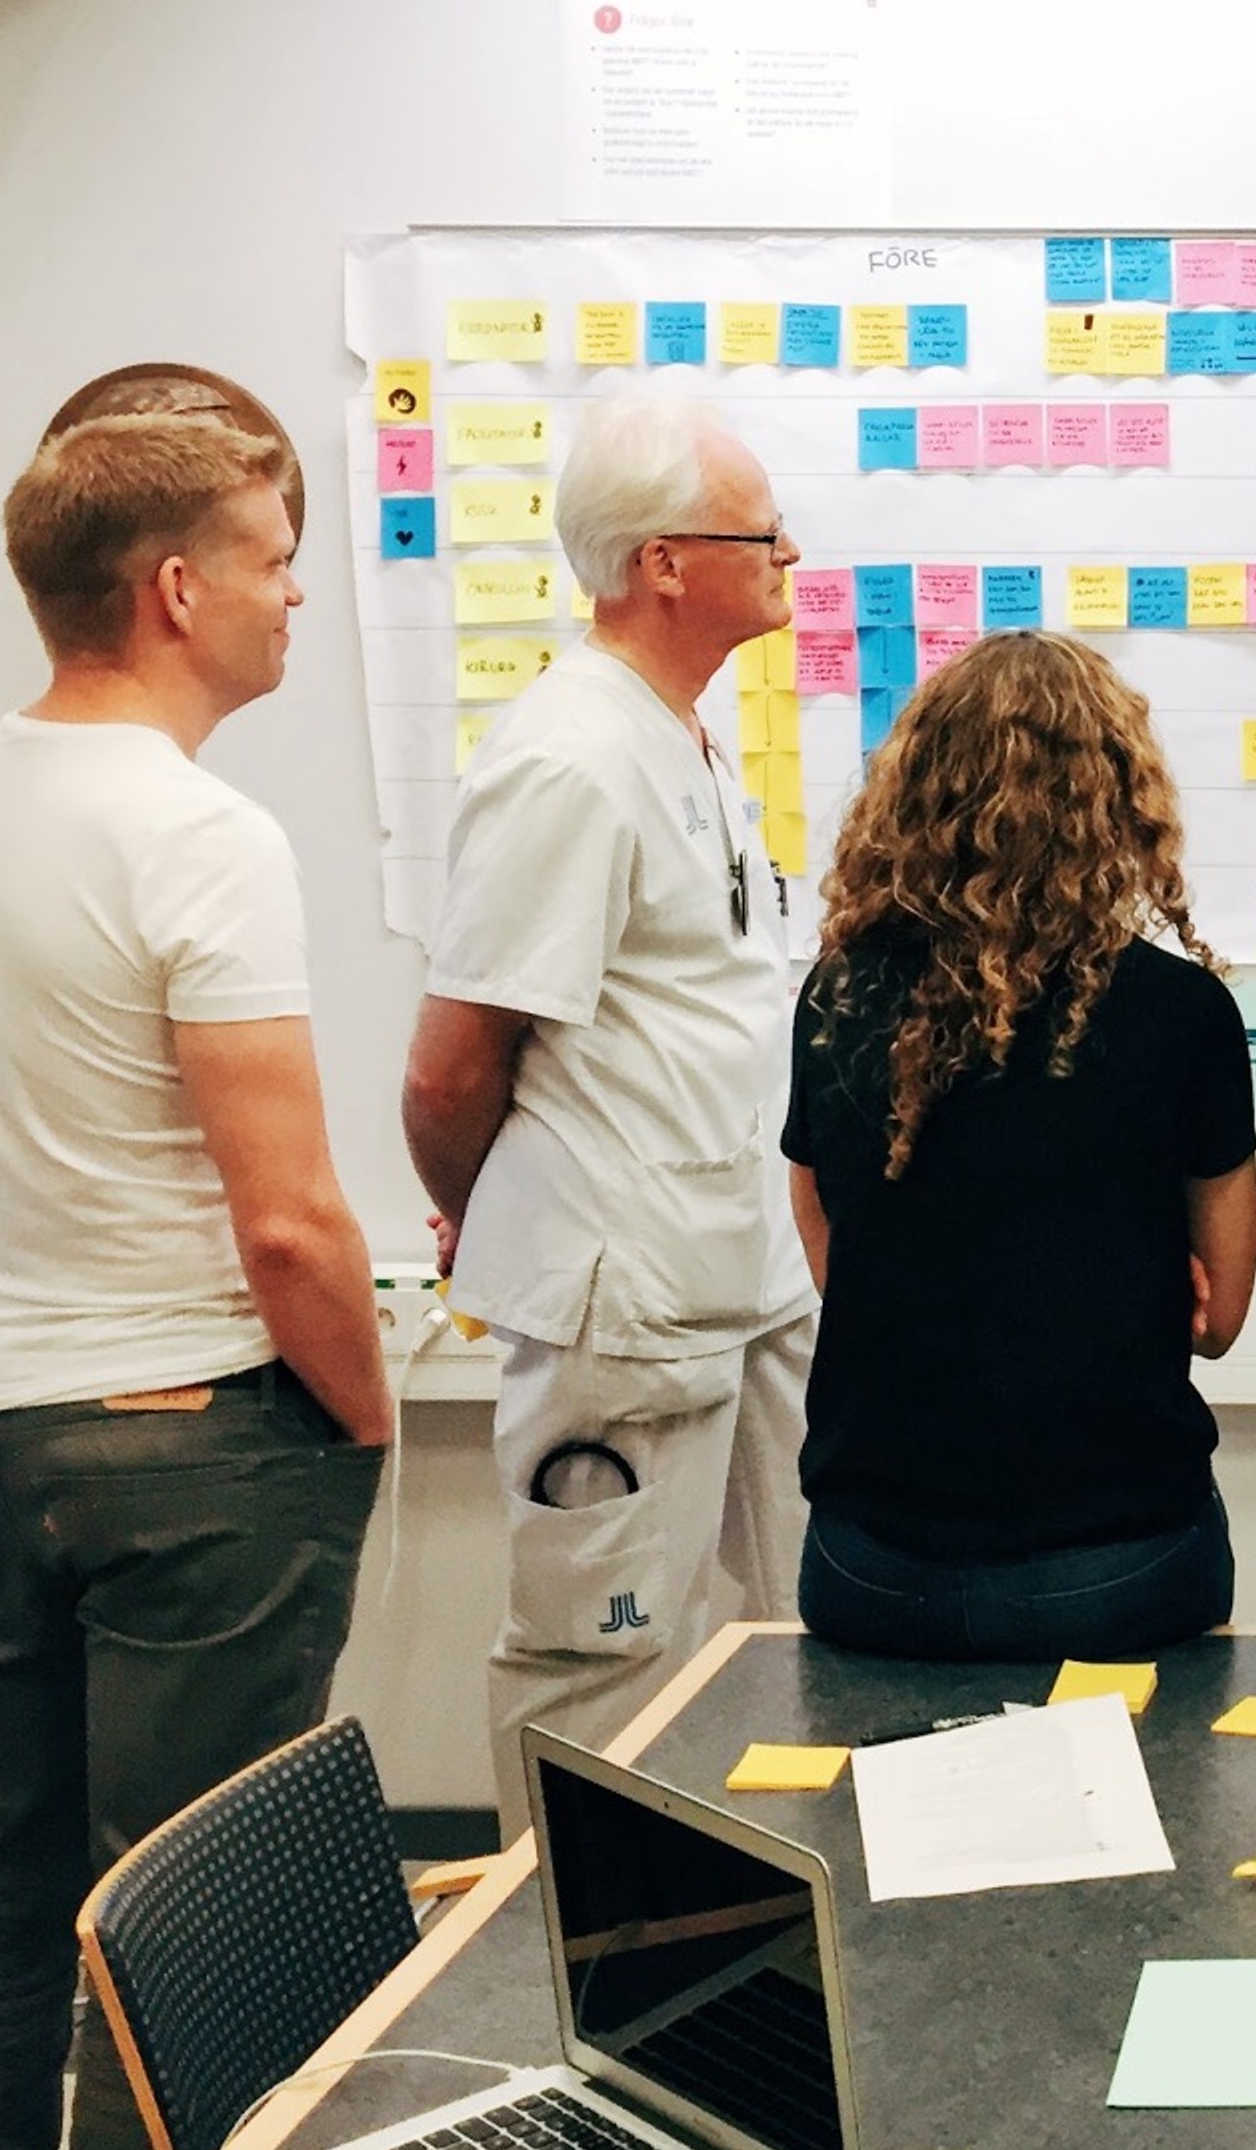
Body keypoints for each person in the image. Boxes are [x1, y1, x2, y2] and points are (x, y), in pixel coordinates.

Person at [0, 403, 389, 2150]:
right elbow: (291, 1224)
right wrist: (370, 1415)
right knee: (187, 1927)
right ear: (178, 589)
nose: (296, 598)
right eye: (273, 561)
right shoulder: (202, 836)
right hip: (196, 1449)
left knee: (8, 1896)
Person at [403, 394, 817, 1828]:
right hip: (627, 1302)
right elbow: (452, 1069)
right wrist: (490, 1212)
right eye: (760, 533)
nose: (790, 553)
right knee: (603, 1666)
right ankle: (548, 1986)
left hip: (744, 1278)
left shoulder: (681, 738)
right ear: (661, 561)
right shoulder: (568, 758)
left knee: (796, 1637)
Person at [779, 631, 1256, 1657]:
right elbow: (1217, 1318)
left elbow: (833, 1245)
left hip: (872, 1570)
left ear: (912, 793)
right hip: (1117, 1569)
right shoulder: (1182, 1012)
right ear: (1120, 798)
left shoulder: (838, 997)